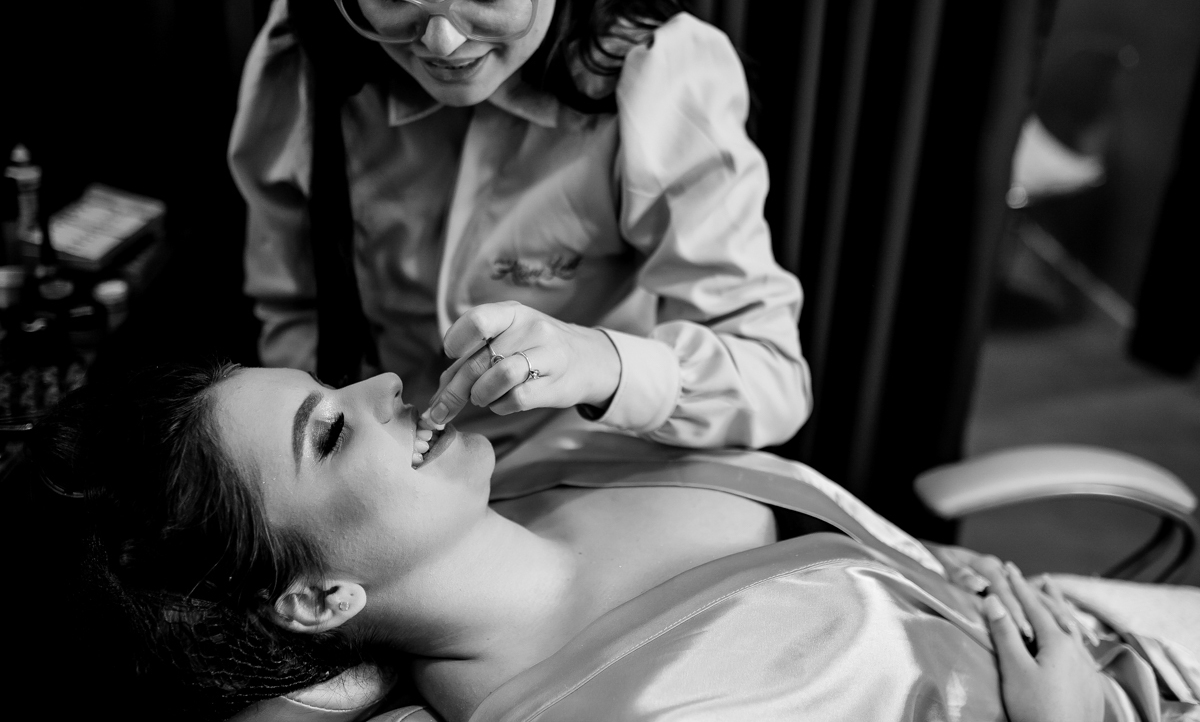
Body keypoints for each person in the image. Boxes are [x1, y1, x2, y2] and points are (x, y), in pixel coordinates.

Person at [26, 363, 1200, 722]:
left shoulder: (545, 458)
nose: (382, 382)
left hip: (1093, 630)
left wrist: (922, 576)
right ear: (320, 597)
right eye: (330, 430)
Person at [229, 0, 810, 451]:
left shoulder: (659, 76)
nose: (442, 42)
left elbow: (771, 376)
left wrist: (594, 361)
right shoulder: (301, 58)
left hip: (588, 467)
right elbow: (292, 313)